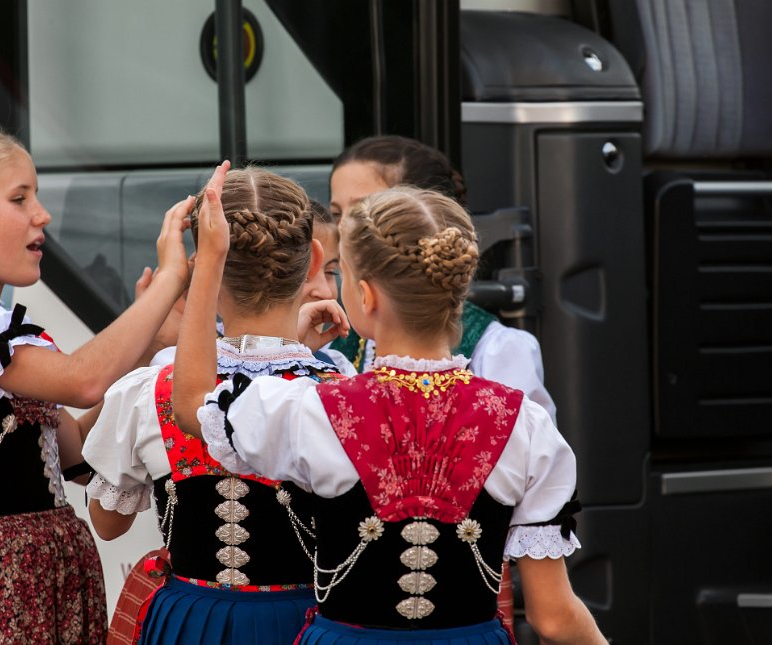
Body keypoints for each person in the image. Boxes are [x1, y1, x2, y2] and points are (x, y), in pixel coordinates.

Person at [172, 184, 607, 644]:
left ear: (365, 296)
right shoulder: (525, 424)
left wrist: (211, 266)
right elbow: (555, 617)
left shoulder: (314, 409)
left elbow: (193, 404)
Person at [0, 127, 193, 644]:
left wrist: (153, 346)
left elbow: (80, 453)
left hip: (33, 577)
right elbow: (83, 381)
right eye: (20, 198)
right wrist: (167, 285)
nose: (41, 215)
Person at [81, 165, 349, 645]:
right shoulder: (338, 394)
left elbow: (108, 523)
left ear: (201, 267)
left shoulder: (150, 391)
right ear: (314, 260)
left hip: (189, 620)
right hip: (303, 622)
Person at [327, 134, 556, 423]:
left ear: (425, 214)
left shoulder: (497, 350)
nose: (344, 227)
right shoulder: (334, 345)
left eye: (364, 210)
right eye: (337, 213)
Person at [302, 199, 356, 376]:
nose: (325, 292)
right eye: (303, 274)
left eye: (331, 272)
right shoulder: (219, 364)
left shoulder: (338, 368)